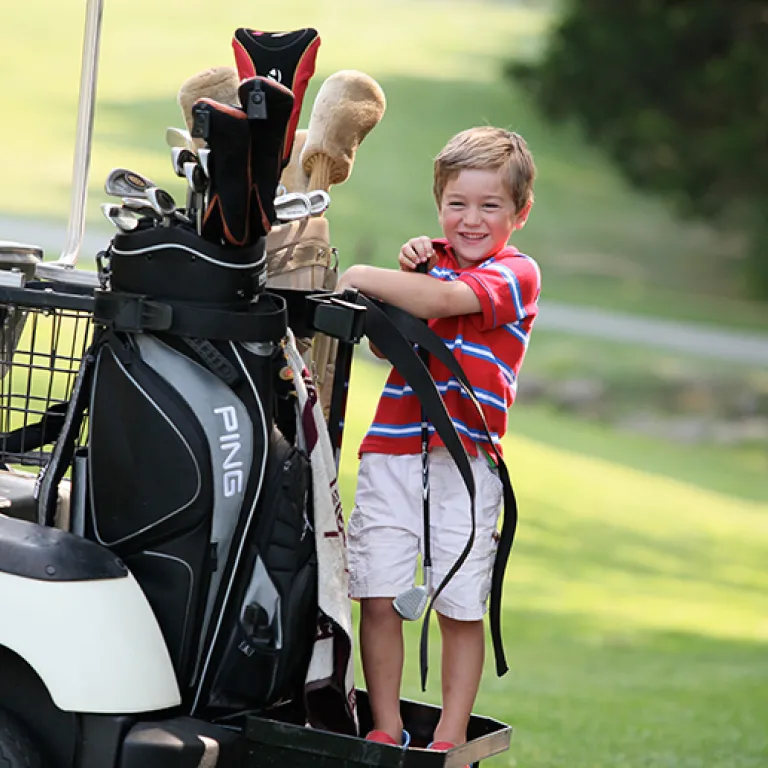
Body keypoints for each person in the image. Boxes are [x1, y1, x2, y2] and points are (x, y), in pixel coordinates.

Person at [335, 126, 541, 750]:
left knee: (459, 606)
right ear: (439, 204)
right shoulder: (426, 266)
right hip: (393, 454)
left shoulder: (516, 273)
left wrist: (366, 275)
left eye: (490, 206)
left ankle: (448, 740)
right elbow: (381, 344)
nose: (471, 220)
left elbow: (450, 300)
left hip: (468, 464)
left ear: (519, 213)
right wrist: (400, 279)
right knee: (378, 594)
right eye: (457, 204)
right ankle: (386, 727)